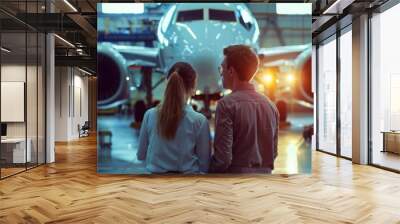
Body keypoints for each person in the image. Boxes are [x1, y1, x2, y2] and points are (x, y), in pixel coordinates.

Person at [209, 45, 279, 174]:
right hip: (265, 180)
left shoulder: (226, 105)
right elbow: (273, 152)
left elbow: (223, 159)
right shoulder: (271, 106)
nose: (221, 73)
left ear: (231, 71)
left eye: (222, 69)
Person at [137, 62, 211, 174]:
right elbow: (205, 165)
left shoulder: (149, 115)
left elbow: (141, 155)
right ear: (193, 87)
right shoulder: (199, 121)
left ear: (167, 83)